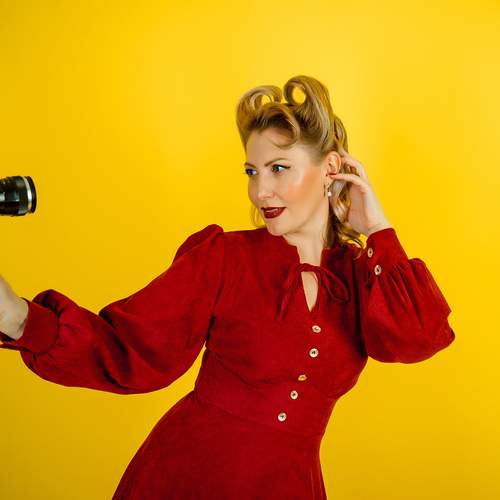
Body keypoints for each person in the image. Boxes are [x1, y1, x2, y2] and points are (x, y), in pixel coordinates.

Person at [0, 75, 455, 499]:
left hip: (289, 485)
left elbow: (417, 338)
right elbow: (132, 348)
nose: (260, 192)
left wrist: (377, 229)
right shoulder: (224, 257)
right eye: (252, 172)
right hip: (187, 474)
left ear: (331, 168)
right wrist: (19, 318)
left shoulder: (362, 272)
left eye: (278, 168)